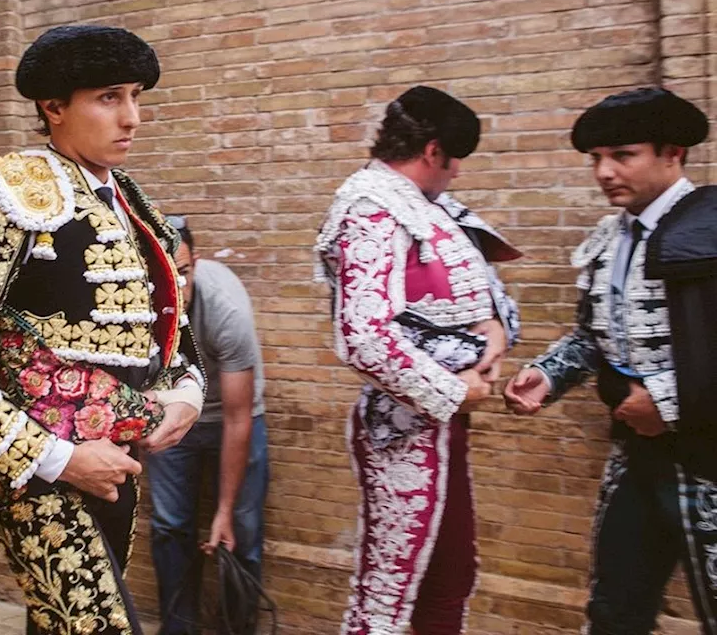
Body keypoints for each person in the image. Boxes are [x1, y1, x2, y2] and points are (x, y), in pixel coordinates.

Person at [0, 24, 205, 635]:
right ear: (54, 106)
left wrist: (188, 390)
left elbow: (166, 326)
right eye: (109, 97)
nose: (132, 117)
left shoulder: (129, 199)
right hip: (43, 478)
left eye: (136, 96)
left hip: (116, 464)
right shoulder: (7, 192)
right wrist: (58, 458)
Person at [504, 87, 715, 635]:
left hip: (709, 452)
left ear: (673, 153)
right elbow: (597, 339)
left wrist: (666, 401)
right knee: (614, 610)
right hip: (636, 455)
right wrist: (548, 373)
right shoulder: (608, 237)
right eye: (597, 158)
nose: (603, 172)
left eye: (623, 155)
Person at [315, 86, 522, 635]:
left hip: (441, 428)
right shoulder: (370, 206)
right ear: (433, 152)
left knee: (451, 575)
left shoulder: (425, 205)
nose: (456, 176)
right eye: (454, 164)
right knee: (385, 598)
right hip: (403, 430)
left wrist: (496, 329)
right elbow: (362, 336)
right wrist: (457, 392)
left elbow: (483, 287)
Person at [146, 217, 269, 635]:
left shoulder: (224, 306)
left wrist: (223, 510)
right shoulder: (135, 305)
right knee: (168, 527)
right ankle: (178, 629)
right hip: (172, 416)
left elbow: (237, 416)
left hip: (230, 418)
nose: (177, 286)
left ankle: (238, 627)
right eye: (165, 275)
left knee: (241, 533)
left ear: (195, 262)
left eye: (183, 272)